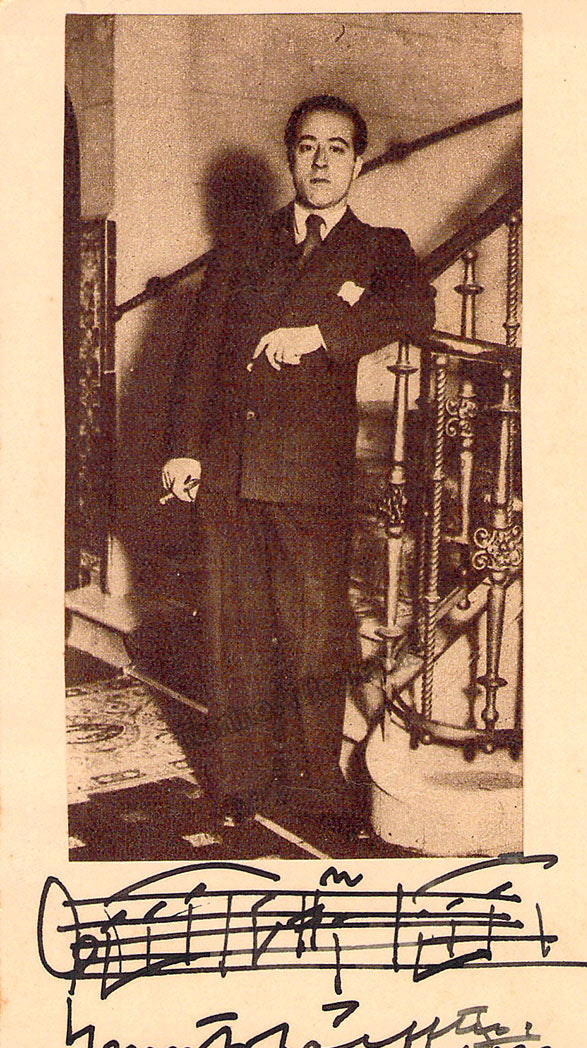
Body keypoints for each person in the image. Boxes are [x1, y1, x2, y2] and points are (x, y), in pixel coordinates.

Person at [161, 94, 435, 839]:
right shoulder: (246, 244)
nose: (320, 161)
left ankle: (315, 783)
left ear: (358, 162)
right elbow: (200, 352)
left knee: (315, 632)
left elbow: (414, 311)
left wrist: (321, 335)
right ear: (290, 157)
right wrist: (183, 447)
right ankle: (238, 782)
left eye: (337, 148)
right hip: (228, 468)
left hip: (310, 474)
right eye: (308, 146)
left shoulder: (380, 247)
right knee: (234, 631)